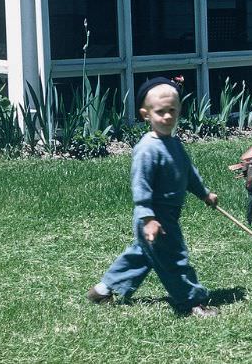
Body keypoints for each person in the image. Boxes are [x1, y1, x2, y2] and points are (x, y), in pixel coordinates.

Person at [87, 77, 220, 317]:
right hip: (155, 217)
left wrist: (204, 194)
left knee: (142, 255)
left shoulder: (174, 144)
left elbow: (188, 173)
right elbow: (141, 187)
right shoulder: (147, 148)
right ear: (145, 114)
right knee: (174, 259)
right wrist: (148, 218)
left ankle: (103, 289)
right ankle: (191, 302)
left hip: (165, 216)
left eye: (172, 110)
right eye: (160, 112)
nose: (167, 117)